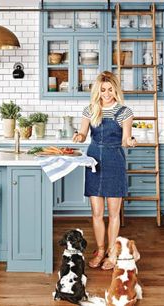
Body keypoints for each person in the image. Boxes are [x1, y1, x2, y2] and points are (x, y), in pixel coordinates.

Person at [73, 71, 137, 270]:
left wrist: (131, 142)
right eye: (103, 90)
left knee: (114, 213)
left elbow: (126, 139)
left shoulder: (124, 112)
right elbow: (83, 133)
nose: (107, 94)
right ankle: (100, 250)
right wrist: (78, 136)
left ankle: (112, 252)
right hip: (94, 161)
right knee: (97, 212)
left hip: (114, 161)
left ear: (116, 90)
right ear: (97, 91)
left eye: (110, 89)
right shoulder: (90, 110)